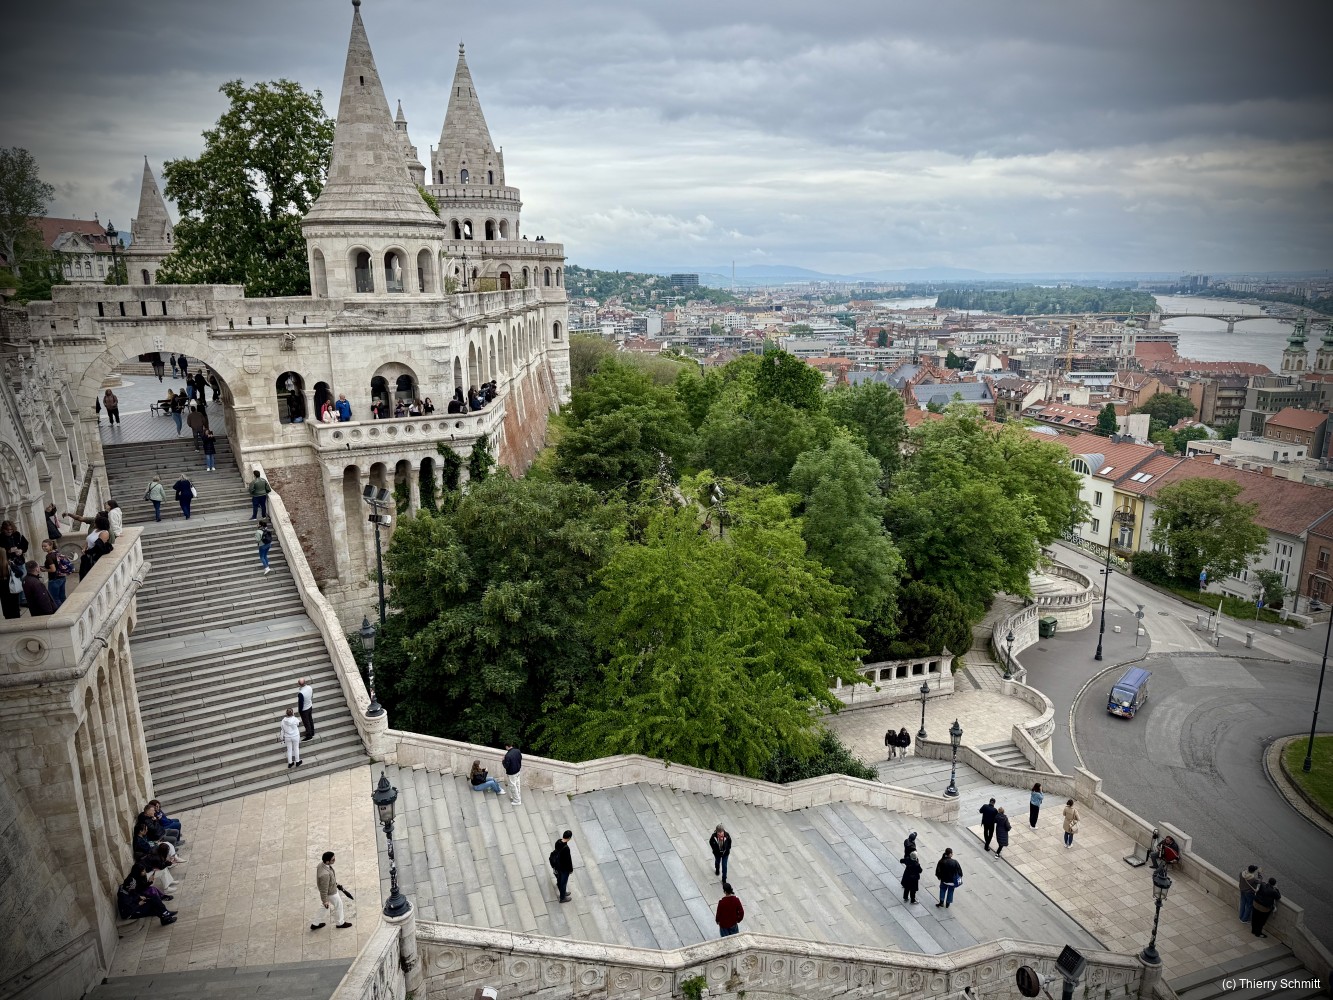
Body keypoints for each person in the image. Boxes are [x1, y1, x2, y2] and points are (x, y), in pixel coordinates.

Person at [311, 850, 352, 930]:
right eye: (333, 859)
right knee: (339, 905)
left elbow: (327, 882)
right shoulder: (325, 875)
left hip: (331, 888)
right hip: (331, 893)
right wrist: (325, 900)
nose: (334, 860)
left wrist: (335, 884)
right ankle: (340, 923)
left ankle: (315, 924)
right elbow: (324, 889)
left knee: (324, 907)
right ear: (327, 861)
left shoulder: (321, 864)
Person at [41, 540, 70, 608]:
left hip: (54, 580)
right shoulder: (57, 552)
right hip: (62, 577)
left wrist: (44, 570)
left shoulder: (49, 556)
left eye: (45, 546)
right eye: (42, 546)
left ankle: (60, 612)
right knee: (62, 597)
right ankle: (66, 609)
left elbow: (53, 569)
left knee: (54, 599)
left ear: (50, 546)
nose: (43, 548)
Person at [550, 830, 574, 902]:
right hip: (563, 868)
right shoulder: (566, 848)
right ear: (569, 838)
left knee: (559, 878)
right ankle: (562, 898)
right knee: (563, 882)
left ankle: (561, 890)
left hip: (557, 865)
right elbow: (568, 861)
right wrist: (570, 870)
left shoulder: (558, 842)